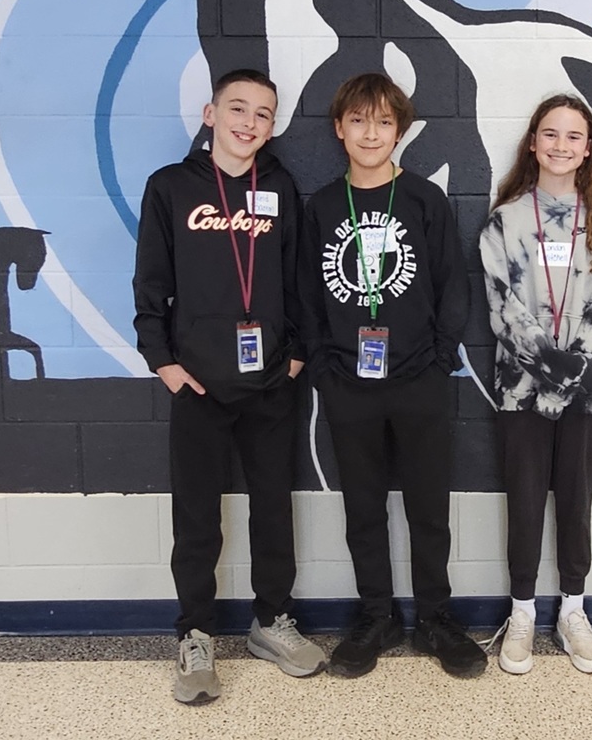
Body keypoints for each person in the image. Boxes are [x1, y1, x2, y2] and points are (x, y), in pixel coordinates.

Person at [133, 69, 326, 704]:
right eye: (237, 108)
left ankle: (272, 621)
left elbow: (299, 281)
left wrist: (295, 356)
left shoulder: (280, 187)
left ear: (272, 127)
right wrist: (164, 363)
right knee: (196, 518)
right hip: (198, 385)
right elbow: (150, 283)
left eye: (263, 114)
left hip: (271, 381)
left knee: (273, 508)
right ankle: (195, 635)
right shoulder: (170, 186)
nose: (249, 122)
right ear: (210, 114)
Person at [300, 72, 486, 680]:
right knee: (363, 508)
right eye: (358, 120)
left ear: (400, 131)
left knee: (429, 508)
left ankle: (435, 617)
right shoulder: (323, 206)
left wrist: (437, 359)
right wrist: (325, 367)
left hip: (418, 381)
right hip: (347, 383)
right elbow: (306, 295)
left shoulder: (424, 200)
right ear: (339, 128)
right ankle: (376, 615)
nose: (370, 133)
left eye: (383, 122)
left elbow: (452, 286)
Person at [479, 93, 592, 675]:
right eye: (551, 134)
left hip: (587, 392)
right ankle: (521, 612)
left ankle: (572, 611)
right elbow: (503, 310)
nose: (561, 145)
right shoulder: (505, 221)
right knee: (523, 500)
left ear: (588, 150)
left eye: (573, 136)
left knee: (575, 501)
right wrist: (554, 372)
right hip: (520, 391)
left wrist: (573, 376)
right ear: (533, 143)